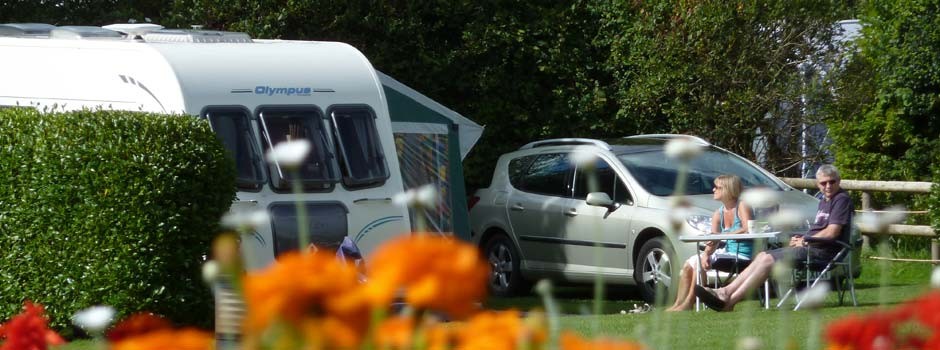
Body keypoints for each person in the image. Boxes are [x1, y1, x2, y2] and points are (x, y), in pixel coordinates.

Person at [694, 164, 852, 311]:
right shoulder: (825, 201)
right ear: (817, 184)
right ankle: (727, 297)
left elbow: (832, 232)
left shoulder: (841, 200)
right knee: (762, 255)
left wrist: (805, 240)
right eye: (823, 183)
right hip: (811, 247)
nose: (828, 186)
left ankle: (727, 296)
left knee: (767, 259)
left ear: (839, 181)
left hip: (824, 253)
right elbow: (821, 230)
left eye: (832, 182)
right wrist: (801, 237)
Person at [668, 174, 753, 311]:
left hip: (743, 256)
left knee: (697, 262)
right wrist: (707, 254)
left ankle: (689, 302)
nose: (713, 190)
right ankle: (678, 303)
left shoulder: (742, 206)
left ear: (729, 190)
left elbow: (747, 228)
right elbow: (714, 239)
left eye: (717, 187)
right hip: (728, 254)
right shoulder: (718, 213)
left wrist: (721, 235)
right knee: (689, 264)